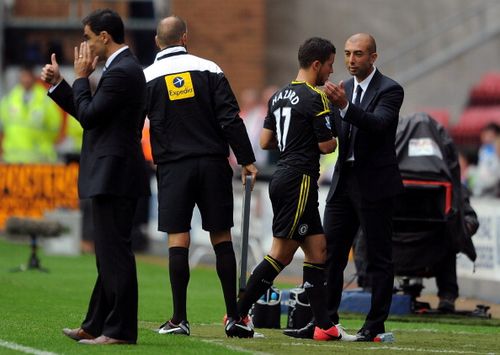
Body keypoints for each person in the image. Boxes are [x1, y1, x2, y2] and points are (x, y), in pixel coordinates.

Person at [143, 16, 258, 338]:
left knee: (178, 238)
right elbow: (230, 118)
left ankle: (179, 318)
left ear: (157, 42)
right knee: (221, 236)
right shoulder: (210, 68)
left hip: (173, 168)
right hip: (212, 163)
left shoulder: (147, 76)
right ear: (185, 37)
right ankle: (234, 317)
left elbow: (131, 125)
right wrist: (247, 160)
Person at [41, 8, 150, 345]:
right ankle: (95, 324)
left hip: (115, 172)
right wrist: (61, 85)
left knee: (114, 253)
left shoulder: (122, 71)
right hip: (112, 171)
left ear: (104, 37)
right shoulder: (119, 69)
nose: (84, 45)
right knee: (108, 254)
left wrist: (78, 77)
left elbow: (88, 116)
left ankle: (120, 331)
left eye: (87, 37)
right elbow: (92, 113)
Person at [285, 33, 404, 341]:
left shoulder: (390, 90)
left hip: (376, 184)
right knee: (330, 254)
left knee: (377, 257)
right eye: (348, 54)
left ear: (373, 58)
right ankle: (326, 322)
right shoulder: (343, 90)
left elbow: (378, 125)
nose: (351, 60)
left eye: (359, 54)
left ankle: (374, 325)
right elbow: (332, 136)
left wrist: (345, 107)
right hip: (343, 182)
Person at [236, 37, 345, 342]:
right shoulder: (316, 98)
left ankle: (324, 326)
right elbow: (327, 145)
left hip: (284, 176)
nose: (331, 71)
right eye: (330, 64)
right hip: (300, 179)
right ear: (316, 64)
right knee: (281, 253)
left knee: (317, 249)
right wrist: (331, 131)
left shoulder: (280, 95)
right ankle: (237, 315)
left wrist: (294, 137)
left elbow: (265, 141)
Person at [0, 65, 63, 163]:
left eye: (28, 77)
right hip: (12, 159)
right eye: (23, 76)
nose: (26, 80)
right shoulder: (10, 99)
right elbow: (3, 127)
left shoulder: (45, 100)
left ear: (34, 78)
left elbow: (55, 127)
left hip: (38, 159)